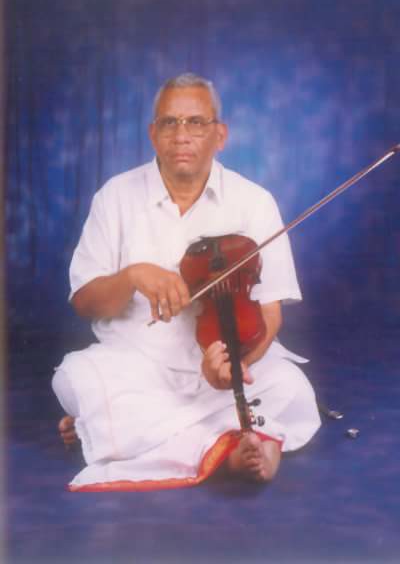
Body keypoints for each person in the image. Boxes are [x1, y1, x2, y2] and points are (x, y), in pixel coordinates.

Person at [52, 72, 321, 492]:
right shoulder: (115, 196)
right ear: (152, 134)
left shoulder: (255, 202)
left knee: (290, 387)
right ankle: (239, 438)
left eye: (196, 122)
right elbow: (85, 302)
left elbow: (270, 314)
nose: (181, 135)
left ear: (220, 135)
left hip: (224, 368)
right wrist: (133, 275)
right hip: (137, 367)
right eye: (169, 123)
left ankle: (107, 431)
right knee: (75, 376)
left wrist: (236, 368)